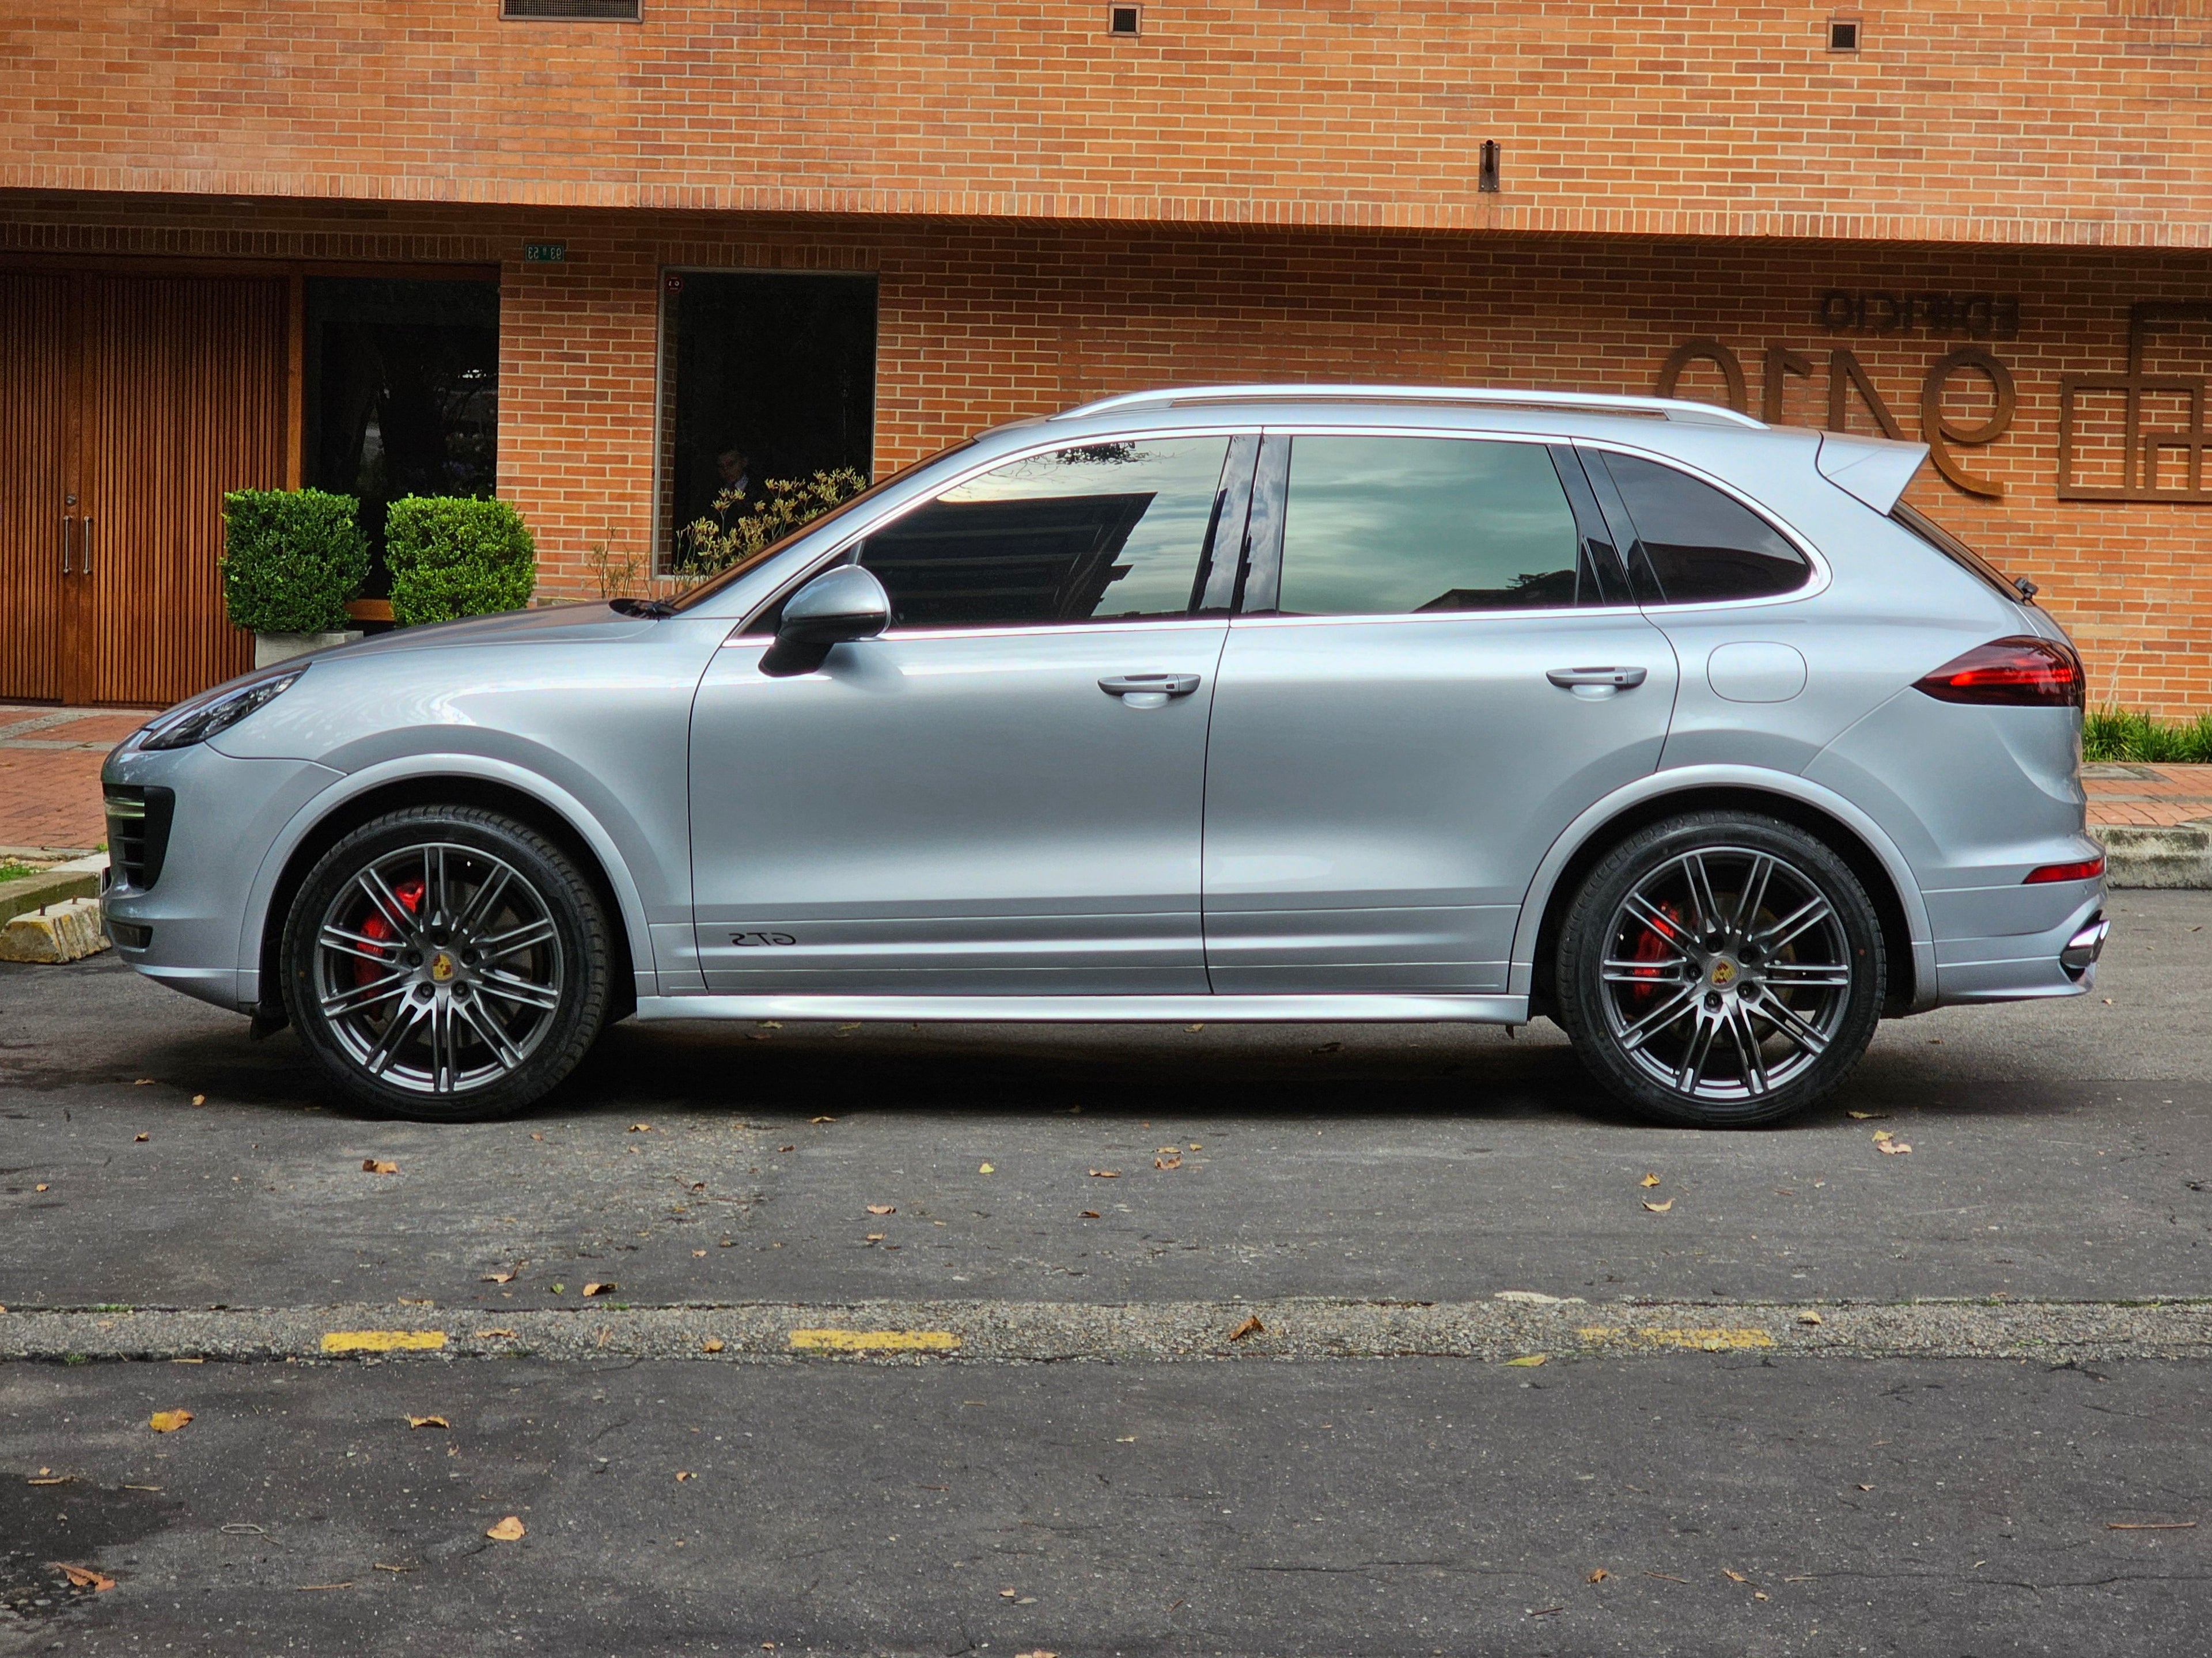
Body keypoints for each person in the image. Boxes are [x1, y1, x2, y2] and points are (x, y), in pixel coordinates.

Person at [713, 446, 751, 522]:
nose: (726, 471)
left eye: (731, 464)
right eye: (721, 467)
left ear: (744, 462)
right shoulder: (715, 493)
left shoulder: (761, 491)